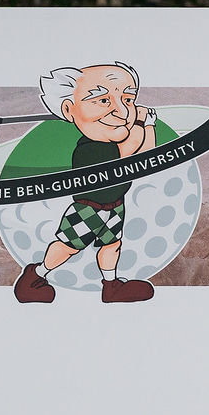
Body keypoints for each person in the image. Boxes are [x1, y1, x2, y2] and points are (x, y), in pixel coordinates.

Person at [12, 62, 158, 303]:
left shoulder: (114, 137)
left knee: (112, 245)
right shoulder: (91, 148)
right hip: (88, 209)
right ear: (69, 110)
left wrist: (149, 124)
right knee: (68, 246)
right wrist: (142, 122)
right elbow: (132, 147)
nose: (123, 112)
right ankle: (35, 276)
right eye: (103, 100)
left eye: (128, 100)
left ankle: (111, 286)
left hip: (115, 205)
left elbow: (147, 155)